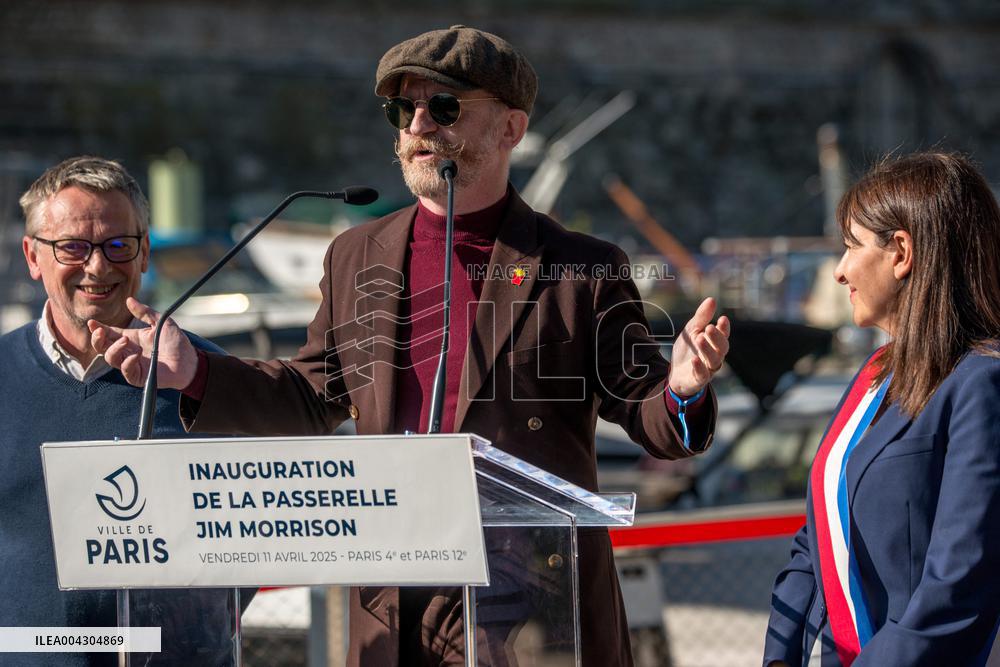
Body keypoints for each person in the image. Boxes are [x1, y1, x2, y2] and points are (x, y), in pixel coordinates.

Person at [91, 26, 731, 667]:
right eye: (404, 109)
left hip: (534, 604)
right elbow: (313, 395)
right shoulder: (355, 254)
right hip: (392, 604)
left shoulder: (581, 267)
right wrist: (197, 372)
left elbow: (646, 412)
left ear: (510, 128)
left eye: (445, 107)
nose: (419, 125)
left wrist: (681, 389)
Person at [0, 156, 242, 666]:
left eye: (117, 245)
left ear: (144, 252)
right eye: (72, 246)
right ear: (32, 256)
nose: (97, 266)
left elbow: (250, 539)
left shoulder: (207, 377)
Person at [764, 152, 1000, 666]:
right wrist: (780, 656)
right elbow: (819, 534)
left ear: (901, 253)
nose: (840, 271)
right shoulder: (874, 374)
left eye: (851, 246)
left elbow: (958, 586)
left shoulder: (982, 382)